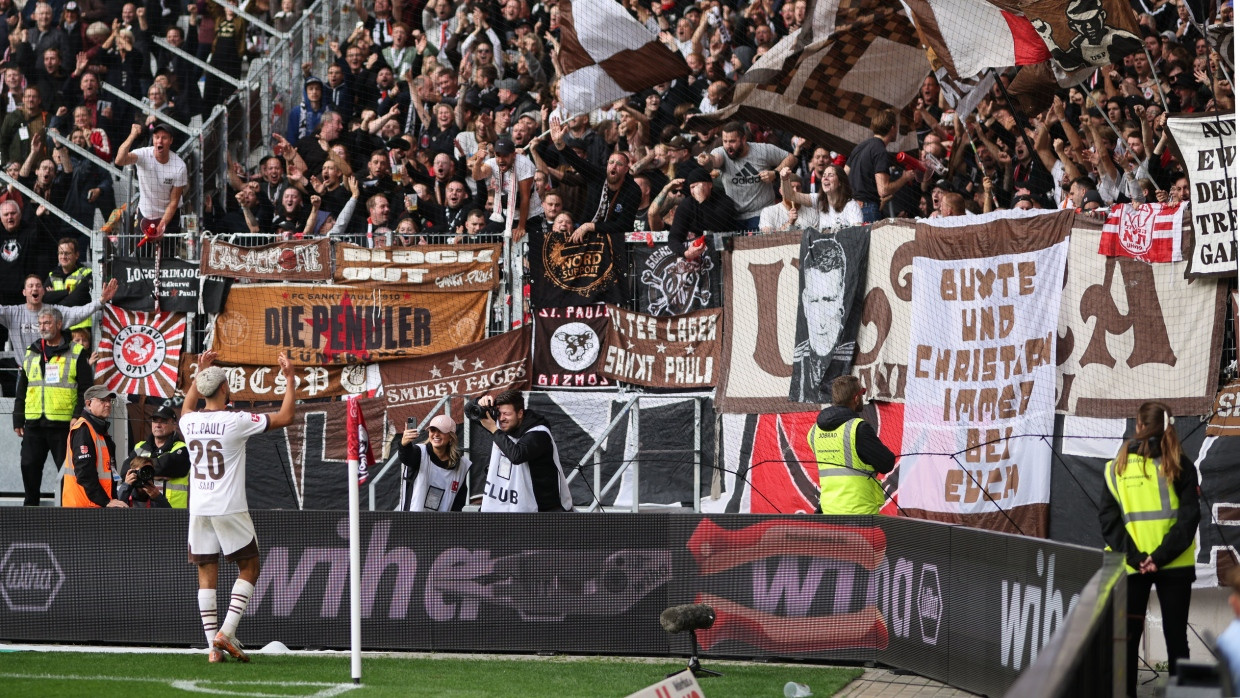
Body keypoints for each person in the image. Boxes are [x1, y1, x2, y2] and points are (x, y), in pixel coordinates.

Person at [180, 349, 296, 663]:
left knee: (207, 572)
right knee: (250, 567)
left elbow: (187, 406)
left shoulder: (189, 423)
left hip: (199, 505)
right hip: (228, 505)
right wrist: (289, 378)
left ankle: (212, 651)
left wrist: (200, 373)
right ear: (223, 390)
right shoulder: (236, 420)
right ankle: (225, 633)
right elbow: (286, 417)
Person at [1099, 401, 1199, 698]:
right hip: (1174, 565)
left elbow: (1109, 521)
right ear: (1170, 427)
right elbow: (1189, 518)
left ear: (1138, 426)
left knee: (1127, 640)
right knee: (1177, 639)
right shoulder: (1181, 463)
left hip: (1132, 566)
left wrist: (1139, 558)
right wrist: (1159, 557)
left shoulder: (1115, 467)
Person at [14, 305, 95, 506]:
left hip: (63, 425)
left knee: (67, 471)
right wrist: (18, 417)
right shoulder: (32, 351)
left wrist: (78, 416)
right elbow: (22, 389)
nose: (43, 326)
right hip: (34, 423)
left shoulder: (75, 352)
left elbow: (85, 389)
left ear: (59, 324)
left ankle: (67, 508)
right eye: (40, 323)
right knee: (28, 466)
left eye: (47, 322)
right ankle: (30, 509)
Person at [809, 375, 896, 515]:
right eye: (862, 394)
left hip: (828, 510)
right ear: (856, 398)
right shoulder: (858, 429)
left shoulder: (814, 431)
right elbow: (886, 463)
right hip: (860, 512)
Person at [475, 389, 572, 512]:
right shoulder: (501, 426)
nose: (501, 418)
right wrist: (480, 402)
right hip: (505, 502)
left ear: (520, 413)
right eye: (499, 414)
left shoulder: (538, 433)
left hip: (543, 509)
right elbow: (469, 411)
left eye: (506, 414)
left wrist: (494, 430)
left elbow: (517, 455)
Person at [695, 121, 796, 230]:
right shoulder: (722, 152)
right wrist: (707, 160)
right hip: (735, 215)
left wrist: (775, 173)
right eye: (725, 141)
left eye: (732, 141)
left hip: (762, 213)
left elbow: (792, 158)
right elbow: (715, 159)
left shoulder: (762, 150)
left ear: (743, 139)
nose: (728, 146)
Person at [792, 237, 853, 403]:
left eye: (829, 300)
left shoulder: (852, 352)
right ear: (805, 301)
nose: (820, 316)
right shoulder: (798, 357)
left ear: (842, 297)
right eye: (813, 300)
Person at [114, 121, 187, 256]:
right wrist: (132, 136)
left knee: (167, 259)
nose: (160, 141)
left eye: (164, 138)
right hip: (145, 213)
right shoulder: (143, 155)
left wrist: (161, 226)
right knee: (141, 257)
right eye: (157, 137)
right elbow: (119, 160)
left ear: (170, 141)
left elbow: (174, 201)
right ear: (153, 139)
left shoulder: (179, 166)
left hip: (169, 216)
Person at [62, 384, 126, 507]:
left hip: (96, 505)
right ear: (88, 404)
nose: (107, 404)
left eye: (109, 401)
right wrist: (106, 501)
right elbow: (85, 473)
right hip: (84, 507)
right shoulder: (84, 429)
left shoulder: (98, 429)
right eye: (102, 400)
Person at [847, 109, 916, 223]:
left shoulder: (859, 147)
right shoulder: (880, 150)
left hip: (851, 208)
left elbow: (844, 174)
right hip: (868, 210)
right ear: (893, 128)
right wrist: (905, 178)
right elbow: (883, 190)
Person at [397, 413, 471, 512]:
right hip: (412, 523)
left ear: (451, 437)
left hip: (441, 525)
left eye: (441, 431)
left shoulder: (461, 465)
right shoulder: (420, 452)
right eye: (432, 430)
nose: (436, 434)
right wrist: (404, 444)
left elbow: (458, 503)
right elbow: (406, 457)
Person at [123, 403, 189, 508]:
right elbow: (124, 471)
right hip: (143, 508)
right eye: (154, 420)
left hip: (174, 511)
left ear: (174, 425)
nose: (158, 425)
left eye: (163, 421)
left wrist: (140, 471)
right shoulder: (139, 446)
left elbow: (164, 466)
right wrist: (156, 471)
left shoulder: (183, 448)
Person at [666, 167, 737, 262]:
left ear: (710, 185)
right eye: (692, 187)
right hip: (696, 253)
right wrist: (685, 252)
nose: (695, 190)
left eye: (697, 186)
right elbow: (674, 237)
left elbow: (715, 226)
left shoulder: (724, 201)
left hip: (724, 252)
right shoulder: (686, 204)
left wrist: (702, 201)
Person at [43, 237, 91, 330]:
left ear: (76, 255)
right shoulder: (52, 274)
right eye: (61, 253)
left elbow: (75, 300)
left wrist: (54, 297)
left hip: (79, 328)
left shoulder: (86, 273)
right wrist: (66, 292)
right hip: (58, 328)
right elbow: (44, 298)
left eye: (67, 253)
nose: (63, 257)